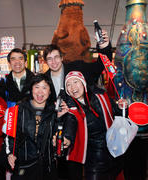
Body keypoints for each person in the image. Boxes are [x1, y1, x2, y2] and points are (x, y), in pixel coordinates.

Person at [43, 30, 112, 180]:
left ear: (62, 58)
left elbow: (101, 65)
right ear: (45, 62)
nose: (53, 62)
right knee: (62, 170)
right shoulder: (43, 80)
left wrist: (105, 46)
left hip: (84, 130)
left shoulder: (77, 68)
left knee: (81, 169)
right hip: (58, 132)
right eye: (49, 59)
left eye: (56, 57)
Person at [6, 74, 76, 180]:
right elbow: (10, 135)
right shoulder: (19, 109)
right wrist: (10, 153)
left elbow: (61, 137)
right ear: (31, 89)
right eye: (37, 87)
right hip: (24, 165)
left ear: (50, 91)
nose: (40, 92)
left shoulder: (55, 111)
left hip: (46, 167)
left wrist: (60, 119)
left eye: (44, 88)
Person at [64, 71, 126, 180]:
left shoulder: (101, 97)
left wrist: (123, 107)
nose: (73, 86)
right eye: (68, 84)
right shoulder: (70, 108)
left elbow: (117, 114)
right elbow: (70, 124)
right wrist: (67, 138)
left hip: (115, 152)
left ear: (83, 83)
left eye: (75, 81)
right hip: (94, 159)